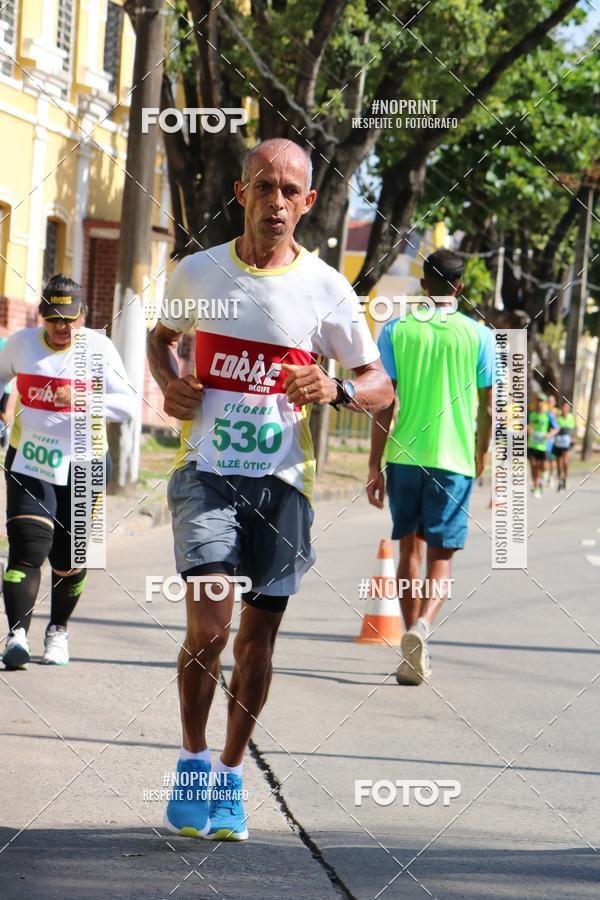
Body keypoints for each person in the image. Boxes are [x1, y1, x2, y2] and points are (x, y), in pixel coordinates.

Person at [147, 138, 393, 842]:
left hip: (284, 485)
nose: (277, 202)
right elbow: (160, 339)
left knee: (256, 643)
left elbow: (380, 387)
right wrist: (170, 385)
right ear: (241, 191)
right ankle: (192, 759)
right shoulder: (197, 272)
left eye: (291, 191)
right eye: (265, 187)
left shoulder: (326, 288)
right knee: (210, 627)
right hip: (206, 475)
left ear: (309, 203)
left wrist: (338, 386)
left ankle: (229, 777)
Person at [367, 249, 493, 686]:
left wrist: (373, 465)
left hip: (403, 457)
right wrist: (480, 454)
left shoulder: (396, 329)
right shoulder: (478, 336)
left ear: (424, 286)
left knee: (410, 551)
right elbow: (490, 410)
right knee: (442, 558)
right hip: (453, 460)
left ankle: (408, 641)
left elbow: (383, 402)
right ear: (459, 287)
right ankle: (422, 630)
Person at [0, 274, 135, 669]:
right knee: (28, 544)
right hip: (31, 458)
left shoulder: (99, 348)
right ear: (40, 315)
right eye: (54, 319)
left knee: (69, 557)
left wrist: (84, 397)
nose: (63, 328)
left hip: (86, 460)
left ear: (84, 315)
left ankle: (58, 630)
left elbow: (128, 405)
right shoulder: (22, 345)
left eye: (71, 319)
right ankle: (16, 635)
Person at [527, 392, 558, 498]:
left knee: (543, 467)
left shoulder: (548, 415)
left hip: (543, 446)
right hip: (531, 445)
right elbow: (524, 425)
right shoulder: (530, 413)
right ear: (535, 401)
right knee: (533, 466)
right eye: (538, 400)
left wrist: (549, 434)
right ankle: (536, 487)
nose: (539, 403)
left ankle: (543, 477)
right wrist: (528, 429)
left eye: (542, 401)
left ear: (544, 402)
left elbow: (556, 428)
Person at [554, 400, 576, 490]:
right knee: (559, 463)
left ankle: (565, 478)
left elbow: (574, 429)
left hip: (568, 442)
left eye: (566, 407)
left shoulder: (571, 417)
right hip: (559, 441)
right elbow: (554, 428)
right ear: (561, 408)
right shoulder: (558, 418)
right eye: (563, 407)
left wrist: (574, 438)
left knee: (565, 462)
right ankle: (560, 480)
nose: (564, 409)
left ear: (569, 409)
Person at [0, 336, 12, 448]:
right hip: (6, 387)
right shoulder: (4, 342)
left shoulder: (3, 343)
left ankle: (6, 432)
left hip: (4, 387)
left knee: (2, 413)